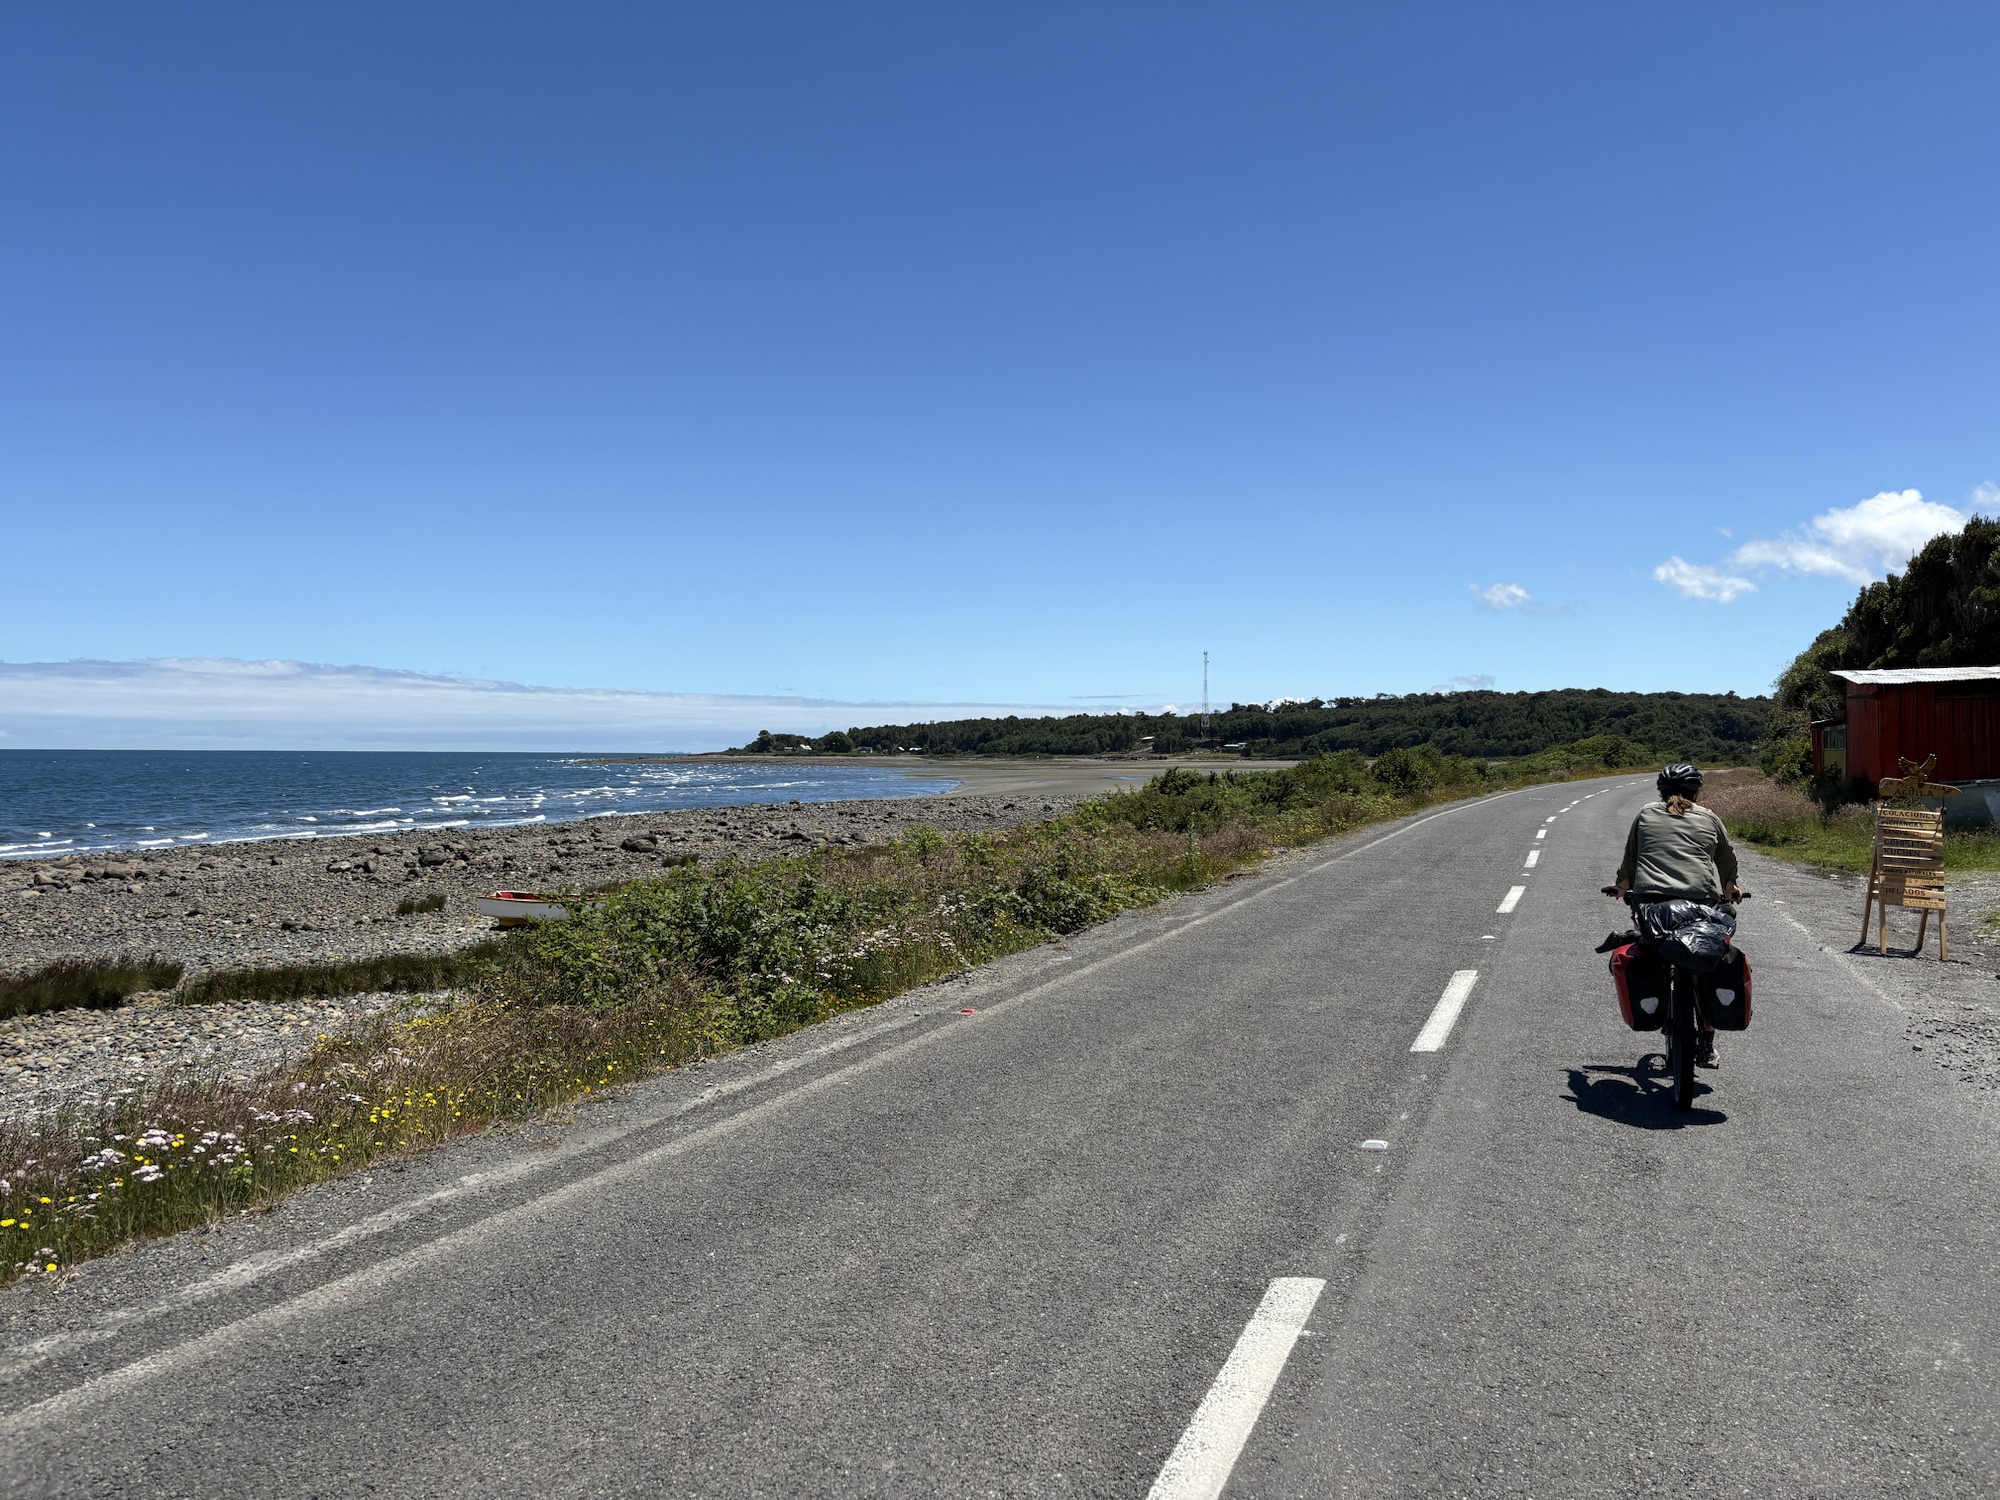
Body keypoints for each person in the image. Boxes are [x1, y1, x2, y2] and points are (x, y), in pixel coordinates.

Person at [1614, 763, 1740, 1068]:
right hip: (1700, 900)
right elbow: (1726, 859)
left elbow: (1631, 860)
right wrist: (1731, 888)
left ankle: (1658, 999)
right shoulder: (1708, 816)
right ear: (1696, 791)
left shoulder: (1646, 813)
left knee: (1655, 945)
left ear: (1660, 792)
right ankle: (1706, 1042)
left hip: (1651, 900)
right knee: (1704, 956)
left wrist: (1621, 887)